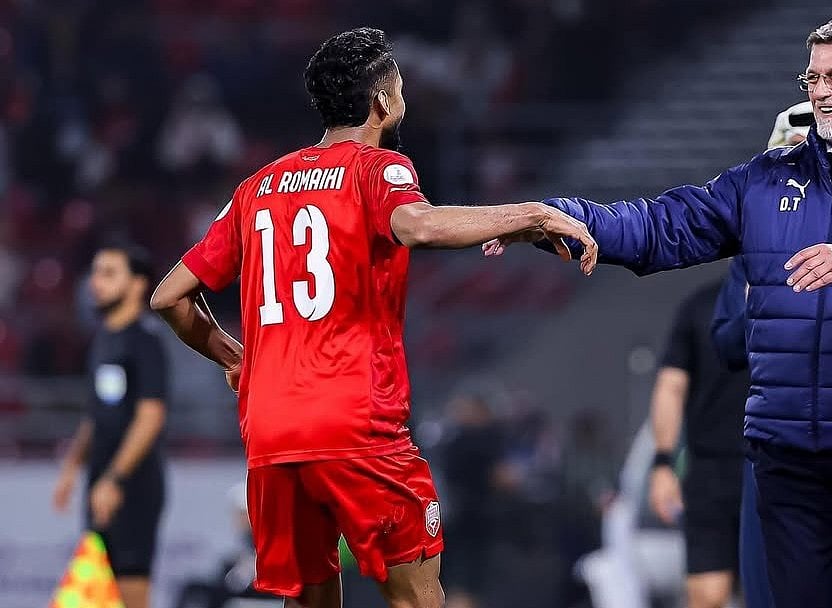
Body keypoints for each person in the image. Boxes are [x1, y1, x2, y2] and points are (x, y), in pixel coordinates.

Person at [487, 12, 832, 608]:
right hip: (788, 448)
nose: (821, 91)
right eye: (812, 77)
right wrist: (554, 218)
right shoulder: (763, 181)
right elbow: (663, 225)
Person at [148, 27, 597, 608]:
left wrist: (240, 359)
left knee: (310, 600)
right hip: (353, 419)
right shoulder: (379, 168)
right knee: (417, 597)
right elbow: (420, 226)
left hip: (271, 430)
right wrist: (533, 214)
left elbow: (168, 297)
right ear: (384, 100)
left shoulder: (256, 187)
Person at [53, 245, 170, 608]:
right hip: (100, 483)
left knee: (130, 591)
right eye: (95, 272)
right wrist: (73, 467)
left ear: (137, 284)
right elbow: (98, 414)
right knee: (98, 596)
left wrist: (116, 479)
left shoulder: (145, 342)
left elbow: (150, 417)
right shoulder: (103, 340)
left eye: (108, 273)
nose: (95, 282)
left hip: (132, 486)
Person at [648, 264, 750, 608]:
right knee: (707, 595)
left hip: (779, 467)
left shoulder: (800, 303)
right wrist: (662, 463)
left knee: (774, 588)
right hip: (711, 470)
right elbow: (671, 386)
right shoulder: (700, 306)